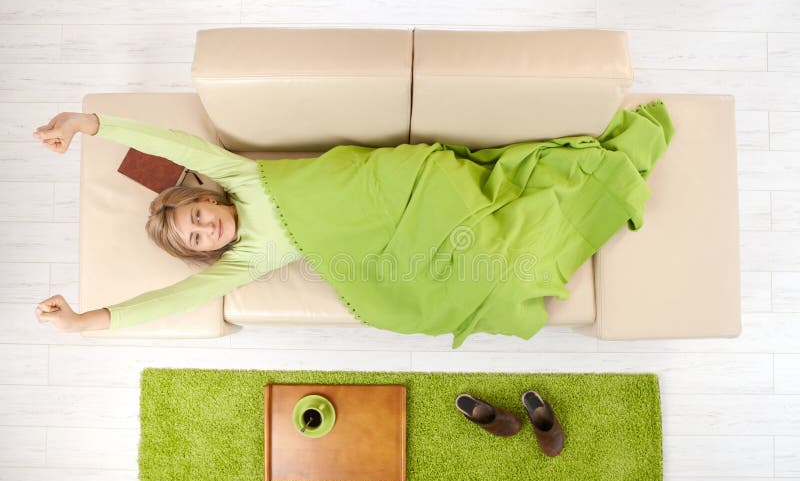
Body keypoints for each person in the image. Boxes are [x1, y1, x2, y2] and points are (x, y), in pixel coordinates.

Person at [33, 101, 674, 348]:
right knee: (463, 282)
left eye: (199, 216)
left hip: (399, 185)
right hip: (383, 244)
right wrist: (86, 321)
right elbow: (167, 301)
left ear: (211, 198)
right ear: (205, 254)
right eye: (197, 239)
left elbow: (172, 142)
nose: (207, 230)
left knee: (470, 208)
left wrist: (89, 125)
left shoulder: (242, 174)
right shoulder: (240, 263)